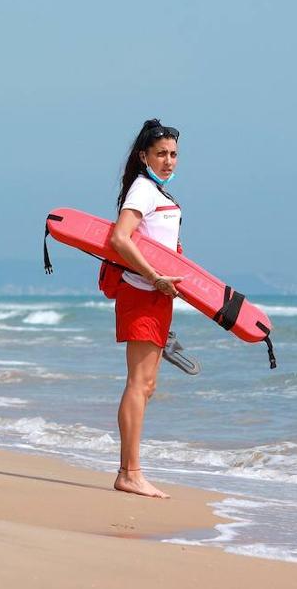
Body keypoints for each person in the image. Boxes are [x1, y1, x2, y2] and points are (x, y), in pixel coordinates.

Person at [107, 119, 183, 499]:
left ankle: (131, 470)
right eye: (161, 154)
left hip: (157, 294)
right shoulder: (143, 190)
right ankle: (129, 472)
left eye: (173, 154)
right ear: (144, 156)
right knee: (138, 385)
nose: (169, 161)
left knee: (147, 386)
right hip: (142, 294)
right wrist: (155, 277)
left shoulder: (158, 192)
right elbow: (121, 239)